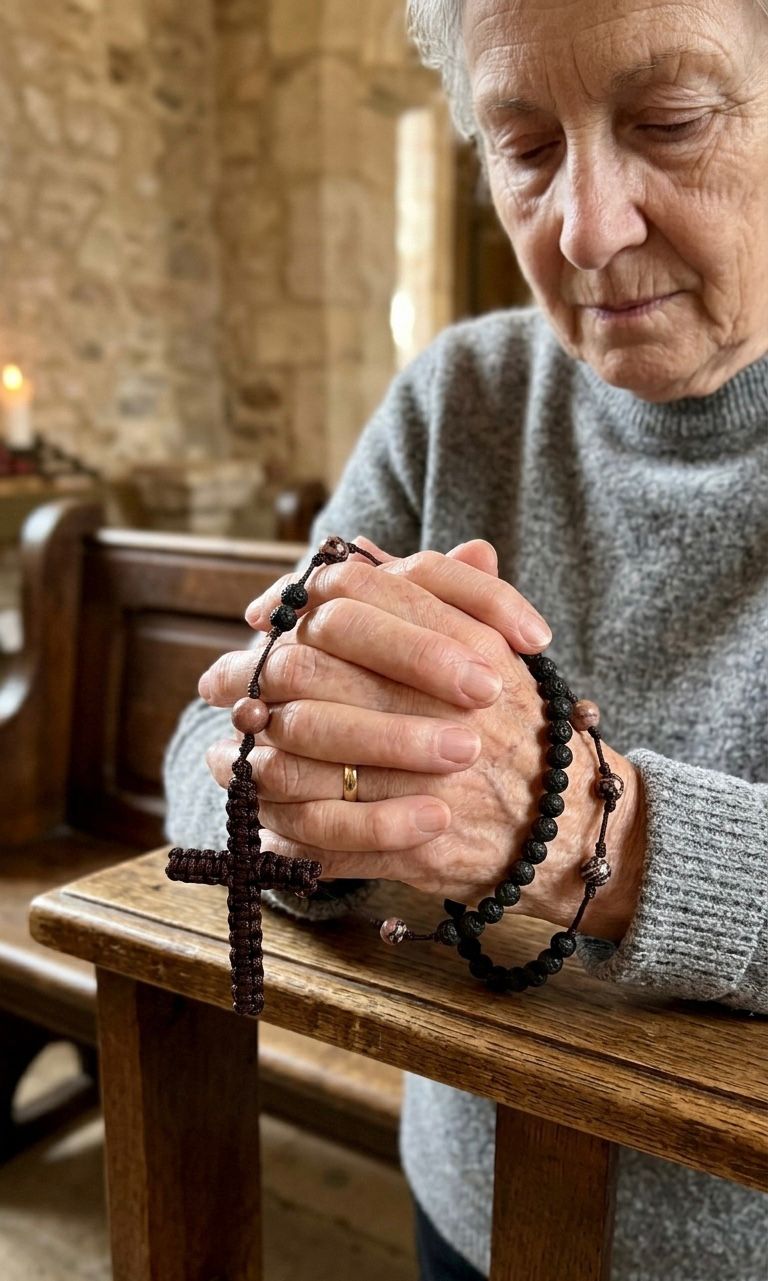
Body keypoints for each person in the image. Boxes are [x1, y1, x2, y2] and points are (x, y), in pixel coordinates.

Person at [163, 0, 768, 1276]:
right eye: (526, 145)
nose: (586, 227)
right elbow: (208, 744)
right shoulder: (460, 395)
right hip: (473, 1200)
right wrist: (322, 786)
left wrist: (583, 824)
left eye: (671, 121)